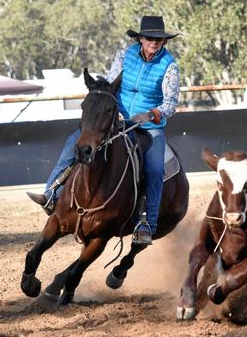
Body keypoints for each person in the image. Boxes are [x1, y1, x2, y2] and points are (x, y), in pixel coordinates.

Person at [27, 15, 180, 246]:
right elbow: (110, 84)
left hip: (149, 127)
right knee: (73, 143)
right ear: (140, 38)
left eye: (159, 39)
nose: (154, 42)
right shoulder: (124, 55)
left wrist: (151, 114)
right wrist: (106, 105)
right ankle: (51, 194)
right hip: (116, 119)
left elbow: (171, 103)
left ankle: (147, 223)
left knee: (156, 169)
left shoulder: (169, 65)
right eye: (150, 38)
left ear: (164, 42)